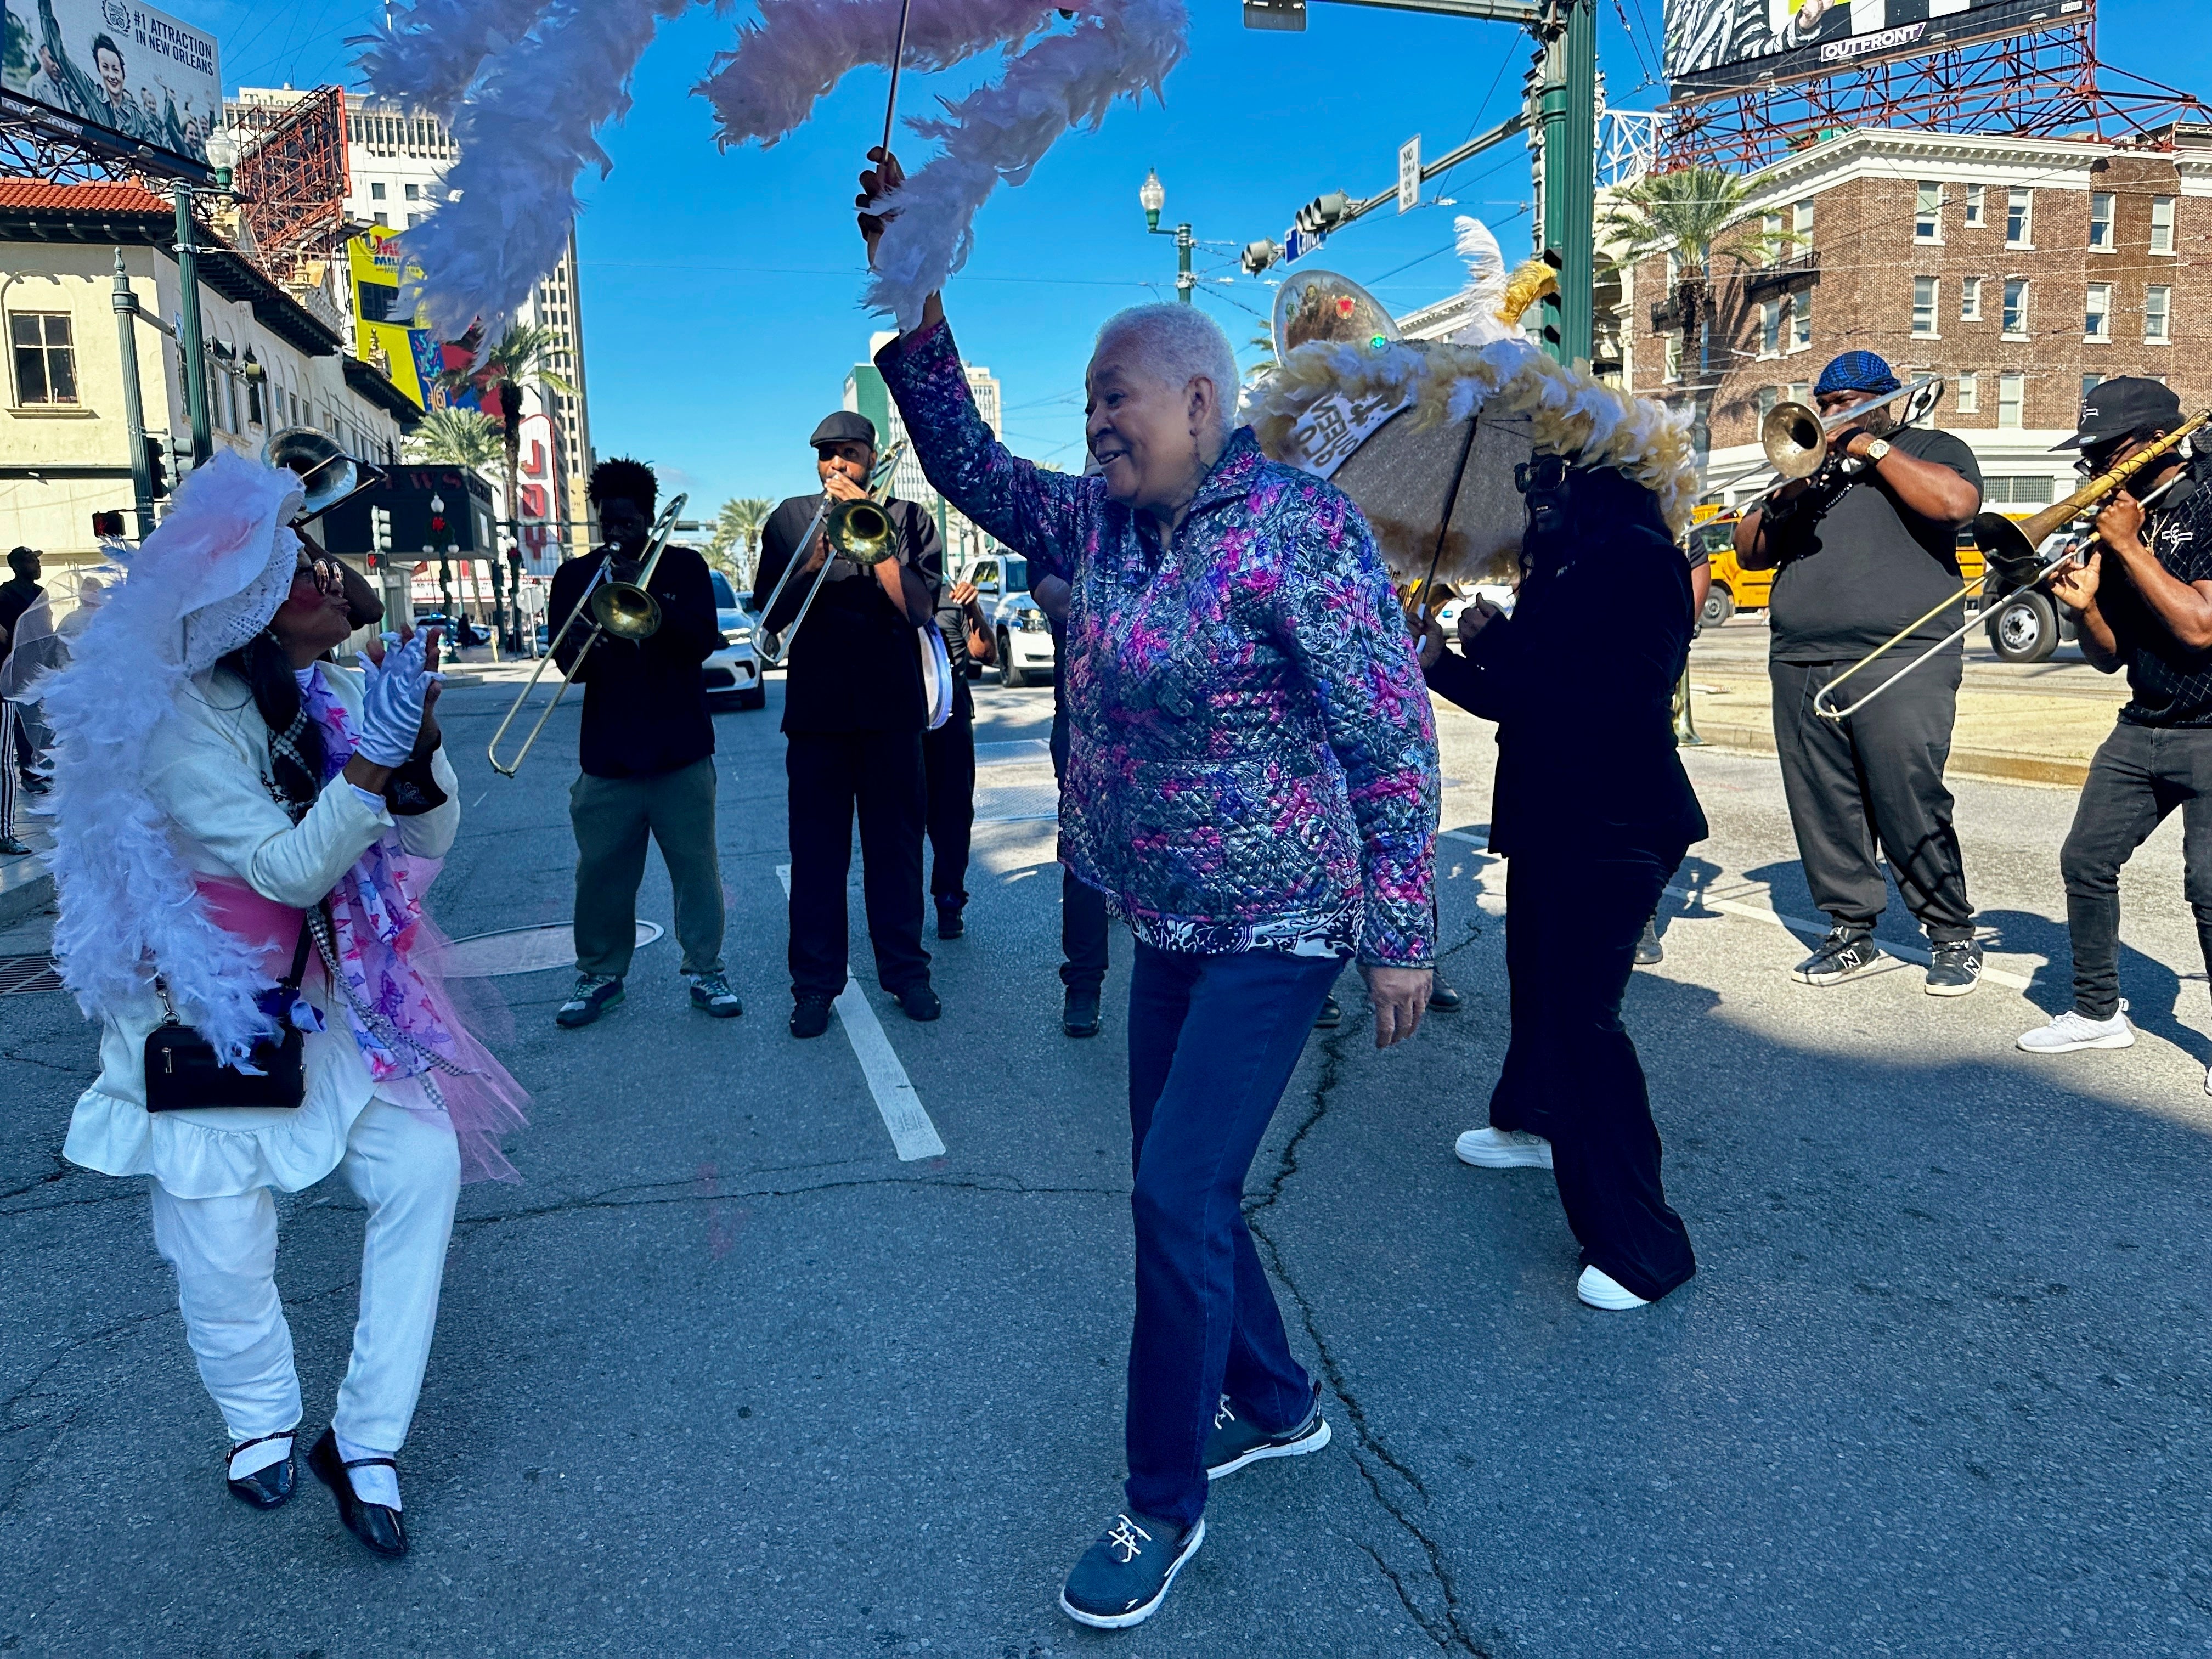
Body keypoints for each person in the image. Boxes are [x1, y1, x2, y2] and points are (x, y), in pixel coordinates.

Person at [861, 147, 1438, 1630]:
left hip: (1281, 926)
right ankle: (1280, 1400)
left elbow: (1389, 734)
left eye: (1117, 395)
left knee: (1176, 1196)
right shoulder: (1094, 528)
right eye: (1088, 401)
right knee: (1178, 1189)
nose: (1095, 421)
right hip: (1164, 923)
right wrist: (917, 287)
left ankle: (1160, 1503)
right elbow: (968, 469)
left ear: (1200, 399)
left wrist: (1399, 934)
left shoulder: (1299, 529)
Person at [41, 450, 526, 1560]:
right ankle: (259, 1419)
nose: (322, 575)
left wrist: (420, 753)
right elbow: (279, 871)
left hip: (333, 1006)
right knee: (221, 1240)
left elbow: (427, 840)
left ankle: (365, 1440)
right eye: (295, 567)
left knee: (424, 1167)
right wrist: (369, 774)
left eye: (313, 559)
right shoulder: (180, 726)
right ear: (246, 613)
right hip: (208, 1017)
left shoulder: (337, 690)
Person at [1423, 452, 1708, 1313]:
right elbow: (1525, 700)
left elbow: (1621, 695)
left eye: (1554, 480)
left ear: (1603, 479)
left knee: (1585, 1018)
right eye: (1532, 481)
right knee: (1537, 991)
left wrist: (1498, 641)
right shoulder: (1566, 563)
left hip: (1616, 825)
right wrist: (1437, 662)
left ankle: (1643, 1246)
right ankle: (1534, 1119)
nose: (1536, 496)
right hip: (1554, 820)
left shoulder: (1640, 558)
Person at [1733, 350, 1985, 994]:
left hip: (1902, 654)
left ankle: (1951, 934)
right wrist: (1792, 485)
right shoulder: (1811, 470)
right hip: (1802, 658)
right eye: (1828, 403)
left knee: (1909, 794)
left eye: (1848, 403)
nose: (1834, 414)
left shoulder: (1932, 446)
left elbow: (1956, 505)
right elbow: (1750, 550)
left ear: (1884, 400)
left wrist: (1871, 448)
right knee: (1823, 803)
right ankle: (1850, 930)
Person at [2019, 379, 2212, 1078]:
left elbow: (2200, 628)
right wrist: (2085, 608)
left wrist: (2130, 549)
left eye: (2109, 453)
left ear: (2161, 442)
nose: (2095, 469)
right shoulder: (2125, 520)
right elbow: (2109, 659)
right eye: (2090, 456)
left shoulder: (2205, 504)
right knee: (2086, 860)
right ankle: (2098, 1015)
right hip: (2145, 722)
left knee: (2210, 886)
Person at [752, 411, 943, 1037]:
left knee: (896, 852)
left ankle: (907, 974)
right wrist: (814, 553)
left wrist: (876, 537)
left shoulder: (911, 519)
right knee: (817, 857)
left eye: (849, 453)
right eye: (827, 454)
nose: (837, 464)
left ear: (871, 455)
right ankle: (814, 987)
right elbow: (772, 616)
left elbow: (918, 609)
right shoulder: (787, 517)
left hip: (892, 715)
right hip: (817, 717)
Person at [550, 458, 740, 1028]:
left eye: (628, 523)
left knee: (696, 869)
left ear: (650, 519)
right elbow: (569, 669)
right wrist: (582, 635)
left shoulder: (683, 568)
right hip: (608, 757)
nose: (616, 533)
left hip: (680, 751)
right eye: (608, 522)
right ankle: (601, 975)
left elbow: (704, 641)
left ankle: (705, 968)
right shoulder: (575, 578)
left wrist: (647, 594)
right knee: (601, 875)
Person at [1036, 571, 1111, 1037]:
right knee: (1087, 857)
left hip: (1169, 715)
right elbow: (1055, 598)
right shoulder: (1069, 518)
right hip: (1086, 722)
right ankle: (1083, 985)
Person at [925, 565, 994, 939]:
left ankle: (949, 899)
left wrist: (974, 610)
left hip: (951, 718)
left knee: (953, 814)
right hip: (898, 718)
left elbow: (986, 653)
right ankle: (897, 910)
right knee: (898, 819)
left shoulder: (951, 597)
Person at [1, 546, 47, 802]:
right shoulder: (6, 594)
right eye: (32, 561)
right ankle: (29, 773)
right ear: (17, 566)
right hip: (17, 668)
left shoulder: (41, 594)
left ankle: (42, 768)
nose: (37, 565)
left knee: (41, 719)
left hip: (39, 666)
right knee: (21, 720)